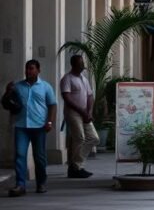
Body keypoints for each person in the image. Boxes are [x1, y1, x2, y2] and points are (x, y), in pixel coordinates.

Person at [5, 60, 57, 196]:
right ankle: (20, 185)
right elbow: (6, 103)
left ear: (38, 70)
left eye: (31, 69)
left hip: (39, 126)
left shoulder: (46, 87)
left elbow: (52, 105)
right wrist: (7, 91)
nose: (28, 71)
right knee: (20, 155)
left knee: (39, 157)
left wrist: (50, 122)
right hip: (21, 126)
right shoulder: (17, 86)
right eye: (27, 69)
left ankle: (41, 183)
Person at [60, 54, 99, 179]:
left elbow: (90, 96)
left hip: (85, 114)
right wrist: (82, 111)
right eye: (80, 64)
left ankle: (75, 164)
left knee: (94, 138)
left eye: (83, 63)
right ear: (74, 65)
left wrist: (89, 112)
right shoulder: (67, 78)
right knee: (80, 138)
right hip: (73, 113)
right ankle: (77, 167)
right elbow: (67, 98)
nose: (83, 66)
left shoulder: (84, 79)